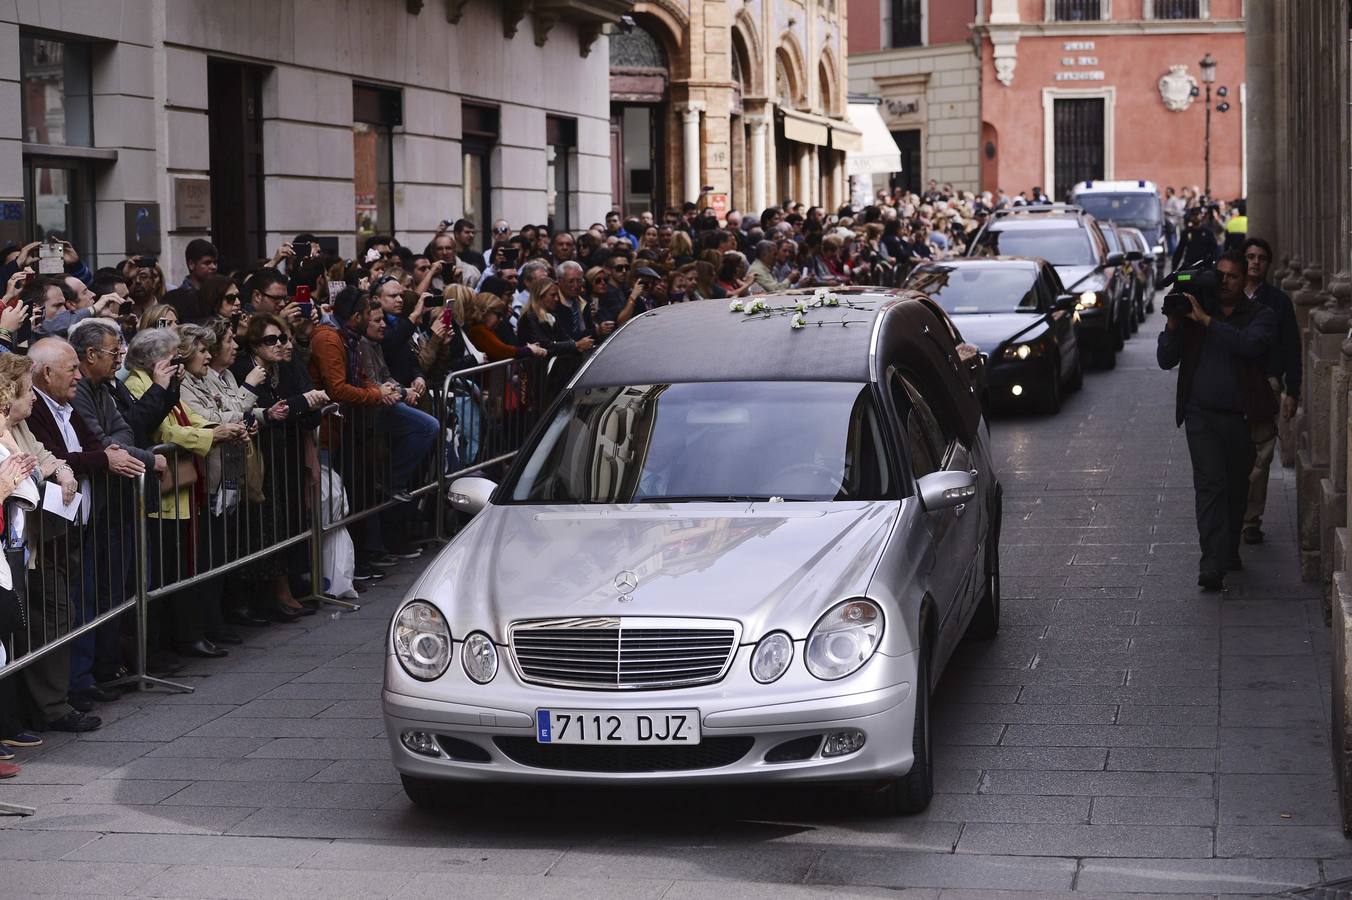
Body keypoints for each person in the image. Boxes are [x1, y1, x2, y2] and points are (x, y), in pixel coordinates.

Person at [124, 328, 249, 657]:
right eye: (172, 357)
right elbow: (163, 428)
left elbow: (187, 416)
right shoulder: (139, 382)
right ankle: (163, 645)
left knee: (181, 568)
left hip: (182, 490)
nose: (177, 364)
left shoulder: (166, 382)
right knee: (161, 573)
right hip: (159, 493)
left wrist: (215, 430)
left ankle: (184, 635)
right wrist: (211, 436)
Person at [1157, 251, 1278, 591]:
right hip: (1201, 416)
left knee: (1237, 487)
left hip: (1241, 418)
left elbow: (1251, 346)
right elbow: (1166, 359)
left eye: (1232, 277)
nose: (1224, 282)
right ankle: (1211, 563)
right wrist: (1174, 323)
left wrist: (1208, 322)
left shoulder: (1259, 315)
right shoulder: (1194, 313)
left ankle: (1227, 550)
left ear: (1244, 281)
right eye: (1219, 275)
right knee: (1211, 486)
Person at [1239, 237, 1302, 545]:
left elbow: (1293, 347)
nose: (1255, 262)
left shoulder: (1278, 302)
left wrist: (1293, 391)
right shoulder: (1229, 297)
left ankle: (1251, 520)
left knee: (1261, 456)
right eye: (1250, 256)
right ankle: (1232, 513)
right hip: (1232, 384)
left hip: (1267, 383)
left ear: (1269, 263)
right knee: (1232, 453)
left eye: (1261, 257)